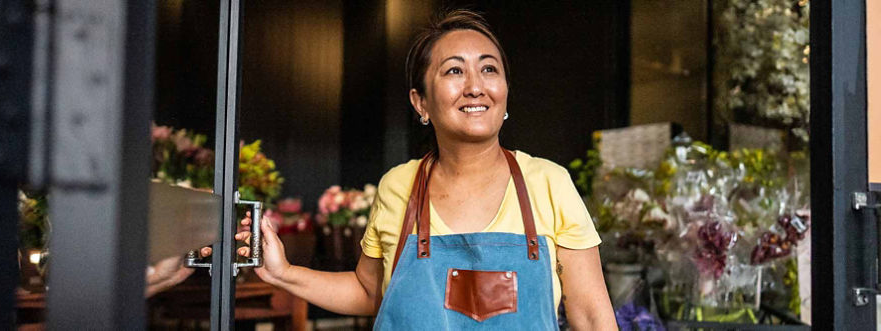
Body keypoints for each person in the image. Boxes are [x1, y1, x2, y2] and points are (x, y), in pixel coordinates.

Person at [228, 9, 615, 329]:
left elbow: (592, 316)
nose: (476, 86)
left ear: (505, 92)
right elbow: (370, 292)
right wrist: (282, 272)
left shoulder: (548, 183)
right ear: (421, 102)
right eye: (454, 71)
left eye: (489, 69)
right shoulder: (398, 185)